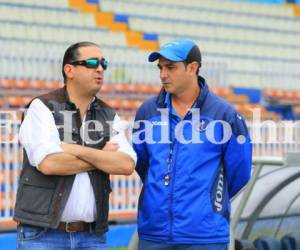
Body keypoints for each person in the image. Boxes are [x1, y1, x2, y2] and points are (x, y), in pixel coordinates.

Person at [14, 41, 136, 250]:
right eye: (90, 62)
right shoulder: (42, 107)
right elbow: (49, 163)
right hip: (42, 236)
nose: (99, 68)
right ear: (68, 70)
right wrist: (101, 157)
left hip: (92, 237)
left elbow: (125, 164)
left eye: (103, 63)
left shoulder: (108, 114)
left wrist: (73, 149)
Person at [132, 38, 252, 250]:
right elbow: (142, 164)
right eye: (160, 68)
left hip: (205, 236)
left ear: (192, 68)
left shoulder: (224, 115)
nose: (163, 75)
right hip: (154, 234)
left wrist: (207, 204)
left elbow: (240, 172)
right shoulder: (147, 112)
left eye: (170, 67)